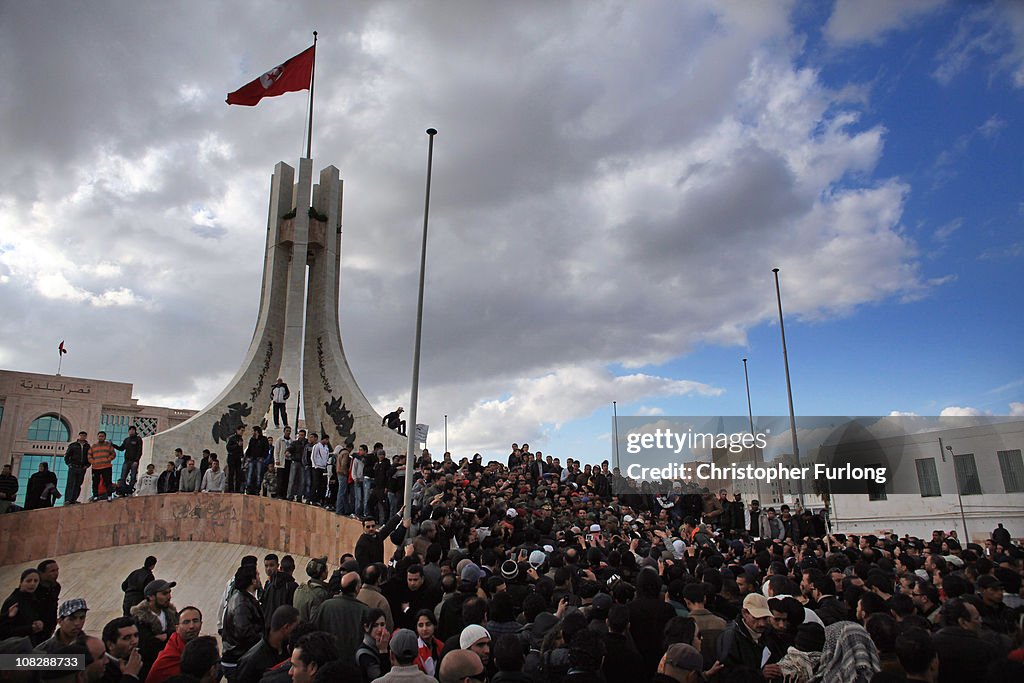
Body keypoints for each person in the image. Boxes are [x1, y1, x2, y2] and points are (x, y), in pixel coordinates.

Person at [313, 572, 368, 666]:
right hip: (352, 664)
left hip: (327, 662)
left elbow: (314, 630)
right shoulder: (364, 610)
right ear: (357, 589)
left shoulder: (326, 605)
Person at [222, 565, 264, 682]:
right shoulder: (241, 603)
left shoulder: (245, 599)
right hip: (237, 661)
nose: (260, 578)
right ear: (252, 580)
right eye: (257, 575)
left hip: (240, 659)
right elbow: (244, 632)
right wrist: (265, 638)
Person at [130, 579, 179, 681]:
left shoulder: (172, 613)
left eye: (169, 593)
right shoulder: (139, 619)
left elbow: (180, 633)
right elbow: (148, 646)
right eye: (164, 593)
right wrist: (171, 637)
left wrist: (166, 636)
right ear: (150, 597)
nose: (169, 597)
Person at [236, 605, 298, 683]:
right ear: (286, 627)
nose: (297, 630)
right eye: (295, 627)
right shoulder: (251, 661)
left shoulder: (288, 648)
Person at [145, 605, 203, 683]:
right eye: (186, 622)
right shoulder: (168, 657)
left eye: (195, 621)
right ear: (177, 628)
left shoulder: (201, 648)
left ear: (201, 624)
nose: (192, 626)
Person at [0, 568, 46, 644]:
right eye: (28, 581)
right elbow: (4, 631)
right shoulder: (13, 601)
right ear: (21, 582)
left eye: (36, 581)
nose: (32, 584)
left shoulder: (33, 598)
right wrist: (30, 628)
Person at [101, 616, 143, 683]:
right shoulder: (99, 668)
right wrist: (130, 676)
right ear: (110, 645)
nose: (134, 641)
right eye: (127, 638)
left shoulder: (139, 657)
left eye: (136, 635)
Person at [355, 608, 391, 682]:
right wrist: (383, 651)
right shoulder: (364, 654)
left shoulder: (385, 643)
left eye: (382, 624)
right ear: (366, 627)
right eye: (375, 625)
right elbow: (380, 680)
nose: (380, 629)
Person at [411, 609, 445, 677]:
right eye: (420, 625)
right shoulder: (413, 648)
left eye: (428, 624)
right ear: (416, 628)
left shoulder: (441, 646)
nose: (424, 629)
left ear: (434, 626)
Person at [113, 425, 144, 492]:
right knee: (123, 476)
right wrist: (113, 445)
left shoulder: (138, 439)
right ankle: (123, 489)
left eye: (133, 430)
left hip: (134, 461)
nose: (131, 431)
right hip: (127, 461)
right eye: (130, 430)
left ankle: (130, 489)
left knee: (133, 476)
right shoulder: (126, 440)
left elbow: (139, 450)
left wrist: (137, 460)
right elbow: (121, 448)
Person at [88, 430, 117, 501]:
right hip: (96, 467)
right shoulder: (93, 446)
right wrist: (93, 462)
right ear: (97, 437)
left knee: (108, 482)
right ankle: (95, 496)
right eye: (99, 436)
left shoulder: (108, 446)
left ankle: (109, 496)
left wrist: (108, 459)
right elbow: (89, 455)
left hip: (106, 466)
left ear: (105, 437)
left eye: (102, 436)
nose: (101, 437)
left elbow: (113, 454)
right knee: (95, 482)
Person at [63, 431, 90, 504]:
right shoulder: (73, 445)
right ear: (79, 436)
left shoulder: (87, 446)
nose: (82, 437)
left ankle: (73, 499)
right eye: (81, 435)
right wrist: (69, 464)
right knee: (71, 483)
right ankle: (68, 500)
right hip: (73, 467)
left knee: (78, 484)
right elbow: (67, 455)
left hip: (82, 468)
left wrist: (87, 465)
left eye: (84, 435)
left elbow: (90, 457)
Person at [245, 426, 270, 496]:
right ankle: (248, 489)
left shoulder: (264, 439)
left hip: (259, 460)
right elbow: (249, 449)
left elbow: (266, 450)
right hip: (252, 459)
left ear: (256, 431)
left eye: (253, 431)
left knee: (259, 475)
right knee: (250, 474)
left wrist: (263, 457)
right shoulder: (252, 439)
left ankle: (257, 490)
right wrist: (248, 457)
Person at [226, 424, 246, 494]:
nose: (242, 432)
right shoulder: (232, 438)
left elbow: (241, 449)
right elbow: (228, 448)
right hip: (231, 457)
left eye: (243, 431)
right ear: (237, 430)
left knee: (238, 473)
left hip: (238, 458)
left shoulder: (241, 439)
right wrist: (236, 445)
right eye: (241, 430)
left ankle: (237, 489)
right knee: (231, 473)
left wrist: (242, 456)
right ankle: (230, 489)